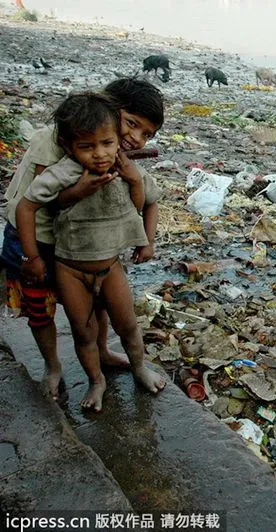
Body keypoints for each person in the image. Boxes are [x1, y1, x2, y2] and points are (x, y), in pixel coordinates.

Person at [1, 77, 163, 400]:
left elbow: (142, 198)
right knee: (41, 309)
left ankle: (102, 353)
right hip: (34, 238)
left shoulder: (110, 151)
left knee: (100, 305)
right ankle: (52, 367)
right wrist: (30, 257)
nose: (135, 138)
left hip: (83, 245)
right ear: (107, 108)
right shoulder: (60, 141)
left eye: (146, 134)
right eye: (131, 124)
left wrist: (145, 237)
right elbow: (40, 202)